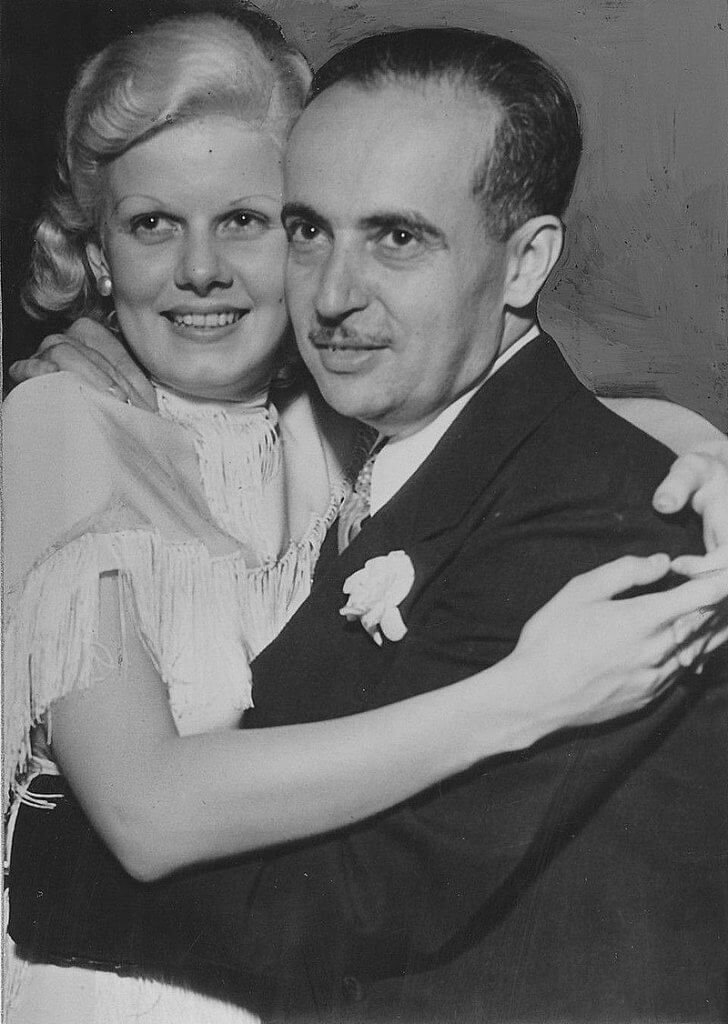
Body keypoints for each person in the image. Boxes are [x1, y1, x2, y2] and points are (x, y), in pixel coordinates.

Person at [9, 10, 728, 1023]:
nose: (203, 270)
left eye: (252, 221)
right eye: (152, 224)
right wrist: (525, 694)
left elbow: (531, 426)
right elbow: (148, 813)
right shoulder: (57, 419)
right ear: (95, 253)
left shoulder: (328, 418)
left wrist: (700, 447)